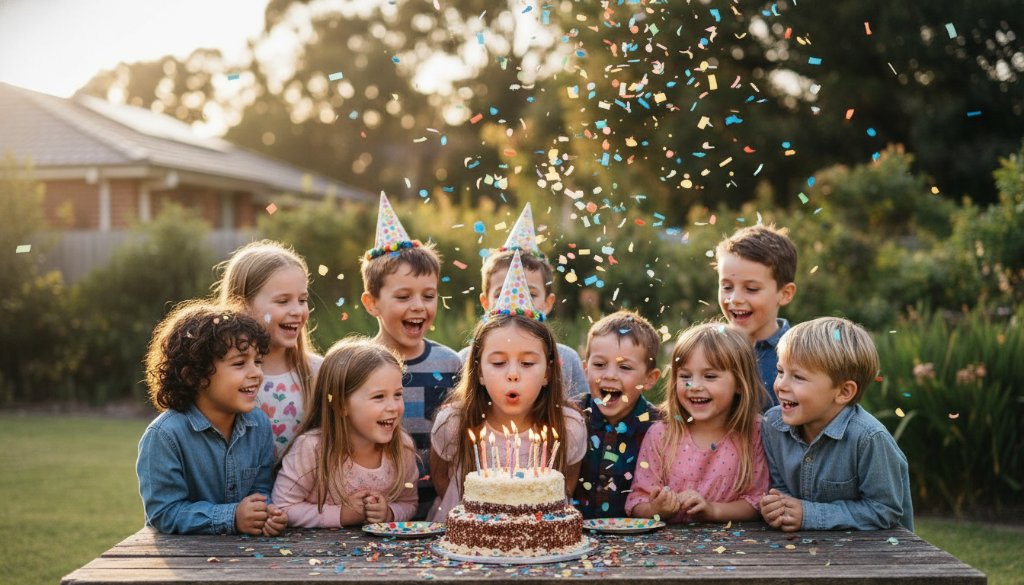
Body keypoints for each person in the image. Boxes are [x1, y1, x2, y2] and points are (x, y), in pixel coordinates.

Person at [428, 251, 587, 521]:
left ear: (548, 372)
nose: (513, 375)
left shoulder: (569, 426)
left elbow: (567, 485)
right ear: (478, 371)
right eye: (499, 363)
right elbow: (441, 480)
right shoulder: (453, 422)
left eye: (527, 364)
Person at [137, 301, 287, 535]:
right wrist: (232, 517)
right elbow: (164, 513)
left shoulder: (259, 425)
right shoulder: (165, 436)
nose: (256, 372)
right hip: (185, 563)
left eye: (257, 362)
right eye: (239, 363)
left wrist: (266, 513)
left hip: (243, 562)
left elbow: (261, 490)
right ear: (193, 376)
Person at [359, 193, 462, 516]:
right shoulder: (358, 365)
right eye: (403, 296)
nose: (418, 306)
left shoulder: (450, 363)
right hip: (376, 505)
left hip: (438, 503)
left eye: (428, 296)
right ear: (372, 303)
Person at [760, 317, 914, 531]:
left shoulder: (869, 439)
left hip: (874, 556)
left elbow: (884, 510)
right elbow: (781, 488)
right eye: (780, 371)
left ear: (843, 392)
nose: (781, 385)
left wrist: (810, 514)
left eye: (798, 377)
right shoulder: (773, 425)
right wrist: (779, 507)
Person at [626, 323, 770, 523]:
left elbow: (757, 502)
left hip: (738, 550)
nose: (694, 386)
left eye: (710, 376)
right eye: (685, 376)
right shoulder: (661, 434)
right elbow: (636, 503)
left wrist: (713, 511)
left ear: (739, 383)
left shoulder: (754, 431)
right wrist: (657, 509)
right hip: (667, 550)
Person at [272, 337, 418, 526]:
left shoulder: (402, 447)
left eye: (397, 394)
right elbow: (282, 506)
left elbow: (410, 502)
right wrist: (341, 515)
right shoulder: (312, 448)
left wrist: (389, 513)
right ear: (341, 405)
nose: (393, 407)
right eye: (379, 397)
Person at [458, 204, 588, 399]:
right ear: (485, 303)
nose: (517, 303)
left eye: (532, 294)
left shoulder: (567, 359)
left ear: (548, 303)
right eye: (501, 294)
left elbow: (583, 414)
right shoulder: (464, 359)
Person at [214, 239, 323, 459]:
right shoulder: (222, 374)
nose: (297, 311)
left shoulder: (318, 372)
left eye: (302, 300)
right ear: (242, 305)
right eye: (283, 301)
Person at [573, 310, 662, 519]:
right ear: (585, 369)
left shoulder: (659, 428)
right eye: (599, 365)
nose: (610, 375)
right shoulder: (571, 417)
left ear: (650, 378)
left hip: (637, 541)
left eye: (624, 367)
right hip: (577, 536)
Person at [715, 224, 798, 407]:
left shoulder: (798, 357)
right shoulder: (709, 348)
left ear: (785, 293)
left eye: (751, 289)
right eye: (727, 287)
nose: (734, 299)